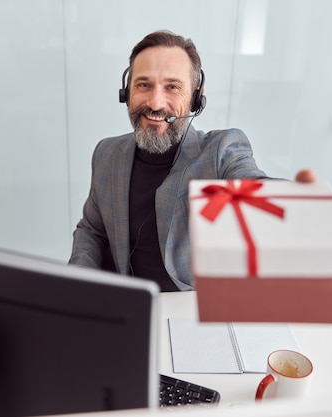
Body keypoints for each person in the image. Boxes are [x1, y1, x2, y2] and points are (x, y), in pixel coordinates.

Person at [69, 30, 314, 291]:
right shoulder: (107, 153)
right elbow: (92, 231)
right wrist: (78, 285)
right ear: (126, 92)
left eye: (172, 87)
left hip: (190, 310)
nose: (155, 102)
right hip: (126, 305)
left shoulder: (221, 150)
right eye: (143, 85)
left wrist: (287, 200)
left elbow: (251, 183)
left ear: (196, 97)